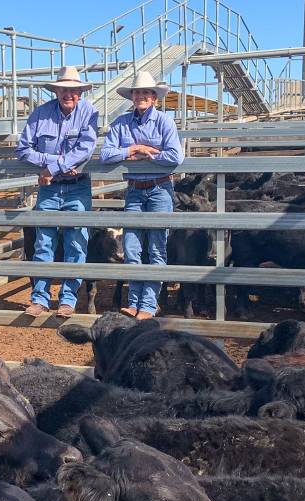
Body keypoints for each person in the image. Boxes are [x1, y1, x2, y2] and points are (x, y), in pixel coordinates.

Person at [14, 66, 99, 318]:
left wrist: (51, 166)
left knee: (76, 243)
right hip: (49, 187)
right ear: (56, 91)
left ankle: (68, 300)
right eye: (64, 89)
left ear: (80, 92)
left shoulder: (89, 113)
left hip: (77, 187)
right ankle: (39, 298)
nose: (68, 94)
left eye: (73, 90)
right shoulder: (41, 114)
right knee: (43, 243)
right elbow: (23, 150)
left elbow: (86, 148)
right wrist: (55, 162)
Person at [99, 71, 184, 320]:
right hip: (135, 189)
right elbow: (105, 155)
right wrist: (133, 148)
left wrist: (150, 155)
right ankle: (134, 302)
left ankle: (148, 304)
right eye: (137, 92)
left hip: (160, 189)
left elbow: (175, 157)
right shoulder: (121, 123)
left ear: (154, 98)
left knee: (157, 247)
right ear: (132, 97)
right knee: (132, 247)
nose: (141, 96)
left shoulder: (165, 122)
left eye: (146, 93)